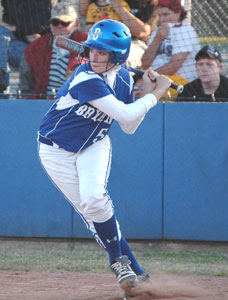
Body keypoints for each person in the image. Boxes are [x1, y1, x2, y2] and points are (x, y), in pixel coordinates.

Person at [37, 19, 172, 299]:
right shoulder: (86, 78)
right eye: (93, 50)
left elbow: (129, 126)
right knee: (91, 213)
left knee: (95, 199)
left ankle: (120, 265)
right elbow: (125, 115)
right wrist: (157, 93)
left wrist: (145, 93)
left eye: (103, 52)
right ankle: (135, 272)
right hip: (55, 150)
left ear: (119, 56)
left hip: (93, 145)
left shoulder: (123, 79)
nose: (95, 56)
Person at [18, 3, 88, 99]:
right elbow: (24, 86)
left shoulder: (88, 44)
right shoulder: (36, 47)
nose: (59, 26)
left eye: (65, 23)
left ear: (76, 23)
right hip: (42, 103)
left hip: (77, 101)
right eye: (55, 22)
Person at [141, 0, 200, 96]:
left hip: (180, 81)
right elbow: (145, 63)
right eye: (160, 15)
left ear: (178, 13)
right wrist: (157, 39)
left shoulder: (186, 31)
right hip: (157, 79)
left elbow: (174, 66)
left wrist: (150, 76)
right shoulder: (158, 32)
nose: (162, 19)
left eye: (166, 14)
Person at [79, 0, 158, 69]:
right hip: (103, 42)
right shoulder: (98, 3)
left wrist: (117, 4)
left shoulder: (150, 3)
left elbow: (141, 32)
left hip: (135, 43)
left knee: (119, 60)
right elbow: (82, 11)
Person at [0, 0, 52, 94]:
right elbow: (6, 24)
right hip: (13, 42)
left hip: (34, 49)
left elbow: (44, 25)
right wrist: (24, 33)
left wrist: (14, 28)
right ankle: (1, 84)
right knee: (1, 37)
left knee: (2, 48)